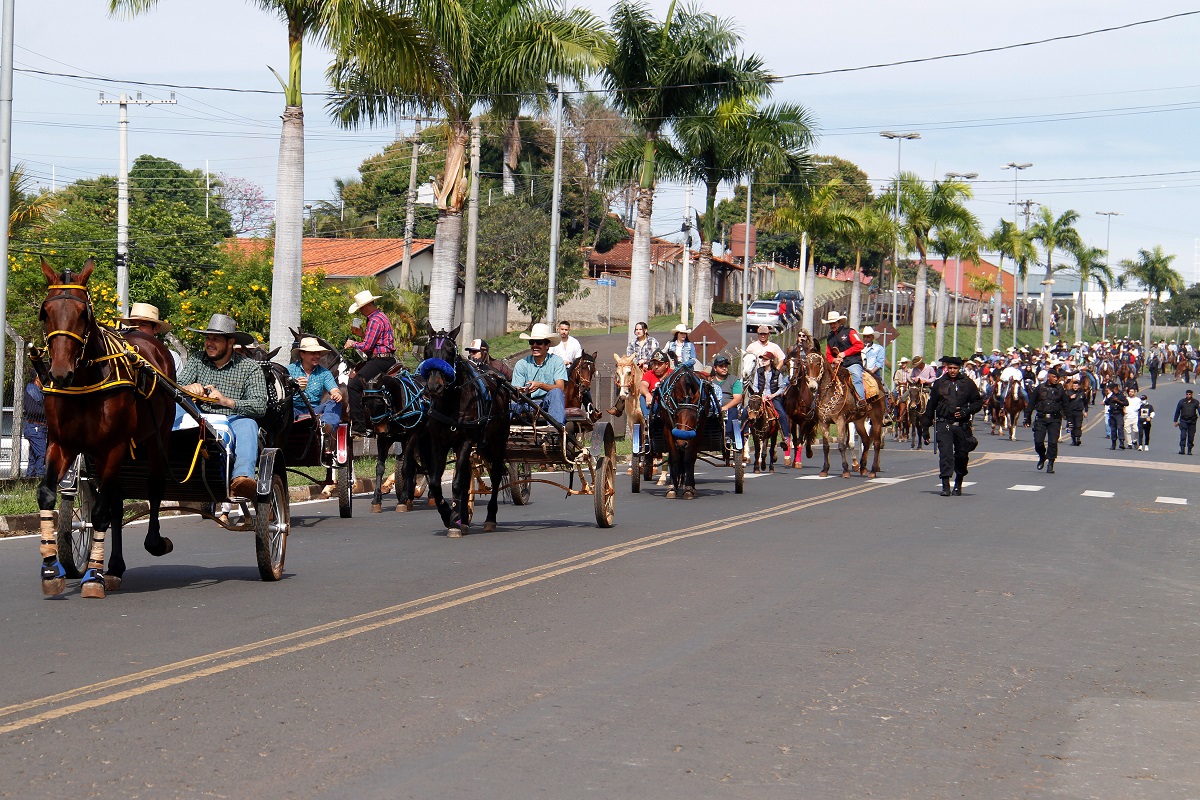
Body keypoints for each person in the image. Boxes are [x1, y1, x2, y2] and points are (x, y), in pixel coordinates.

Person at [178, 314, 268, 499]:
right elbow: (176, 388)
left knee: (249, 424)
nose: (209, 343)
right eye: (207, 338)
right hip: (197, 417)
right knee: (174, 409)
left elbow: (260, 406)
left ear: (230, 342)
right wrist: (188, 388)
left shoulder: (250, 368)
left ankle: (242, 479)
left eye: (216, 339)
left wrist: (227, 401)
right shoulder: (196, 360)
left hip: (233, 419)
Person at [920, 355, 983, 496]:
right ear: (946, 368)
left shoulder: (968, 383)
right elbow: (931, 406)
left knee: (961, 455)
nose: (952, 371)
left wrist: (967, 410)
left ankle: (958, 482)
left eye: (955, 368)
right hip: (944, 424)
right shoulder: (939, 383)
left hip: (962, 425)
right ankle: (945, 485)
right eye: (950, 368)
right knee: (946, 455)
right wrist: (925, 428)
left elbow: (978, 402)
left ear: (959, 368)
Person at [344, 289, 397, 433]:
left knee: (354, 385)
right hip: (386, 359)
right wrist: (362, 334)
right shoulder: (380, 317)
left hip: (381, 360)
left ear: (365, 306)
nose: (360, 311)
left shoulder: (374, 320)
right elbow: (375, 342)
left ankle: (359, 427)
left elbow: (367, 347)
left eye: (360, 308)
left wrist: (352, 343)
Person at [511, 322, 567, 424]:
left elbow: (560, 387)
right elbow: (516, 393)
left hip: (548, 402)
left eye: (539, 342)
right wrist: (521, 390)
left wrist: (540, 385)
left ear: (547, 345)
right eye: (532, 342)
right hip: (526, 402)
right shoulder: (521, 364)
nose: (535, 346)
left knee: (556, 392)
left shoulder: (557, 361)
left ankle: (555, 428)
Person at [288, 337, 343, 434]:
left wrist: (337, 394)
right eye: (313, 353)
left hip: (314, 410)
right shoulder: (289, 370)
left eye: (318, 353)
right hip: (293, 409)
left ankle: (326, 426)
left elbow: (334, 389)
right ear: (302, 354)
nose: (317, 356)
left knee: (335, 402)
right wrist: (294, 386)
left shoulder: (324, 373)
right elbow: (281, 392)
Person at [743, 351, 791, 453]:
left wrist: (772, 395)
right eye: (762, 359)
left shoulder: (777, 373)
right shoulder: (759, 372)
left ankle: (785, 438)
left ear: (771, 361)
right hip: (760, 397)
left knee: (781, 414)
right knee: (744, 411)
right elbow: (755, 385)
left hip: (773, 398)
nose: (763, 361)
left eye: (765, 359)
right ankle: (744, 433)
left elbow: (781, 388)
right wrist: (759, 396)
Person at [822, 310, 867, 412]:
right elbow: (828, 355)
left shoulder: (850, 332)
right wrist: (834, 360)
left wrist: (844, 353)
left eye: (834, 323)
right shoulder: (830, 338)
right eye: (830, 323)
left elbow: (859, 345)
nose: (832, 325)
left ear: (839, 322)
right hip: (839, 365)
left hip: (853, 362)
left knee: (856, 377)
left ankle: (861, 401)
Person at [121, 302, 183, 371]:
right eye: (133, 324)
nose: (136, 328)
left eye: (143, 325)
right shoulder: (120, 353)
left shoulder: (170, 356)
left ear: (155, 328)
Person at [1027, 366, 1067, 472]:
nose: (1056, 379)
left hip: (1054, 419)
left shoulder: (1060, 389)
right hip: (1041, 418)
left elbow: (1066, 404)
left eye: (1057, 377)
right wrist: (1027, 417)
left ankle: (1050, 463)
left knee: (1053, 442)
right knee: (1038, 442)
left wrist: (1070, 420)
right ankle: (1042, 456)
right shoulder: (1039, 388)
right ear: (1048, 377)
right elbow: (1031, 403)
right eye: (1054, 377)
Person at [710, 354, 743, 442]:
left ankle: (728, 436)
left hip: (728, 409)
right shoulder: (710, 380)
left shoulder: (734, 380)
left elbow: (738, 398)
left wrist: (724, 408)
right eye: (721, 366)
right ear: (715, 368)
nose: (724, 368)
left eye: (725, 366)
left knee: (733, 411)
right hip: (712, 408)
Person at [638, 350, 673, 422]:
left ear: (666, 364)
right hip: (655, 406)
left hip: (671, 408)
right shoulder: (649, 374)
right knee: (643, 397)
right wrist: (647, 395)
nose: (656, 367)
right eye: (654, 364)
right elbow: (642, 385)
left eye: (659, 364)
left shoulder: (673, 374)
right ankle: (648, 420)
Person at [22, 376, 47, 478]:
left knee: (33, 457)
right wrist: (48, 412)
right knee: (42, 454)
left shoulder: (40, 393)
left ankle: (29, 479)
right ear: (37, 379)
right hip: (35, 427)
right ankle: (39, 478)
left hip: (39, 428)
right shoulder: (31, 391)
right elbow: (32, 410)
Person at [1062, 374, 1088, 447]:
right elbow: (1065, 402)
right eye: (1074, 386)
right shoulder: (1068, 392)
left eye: (1076, 386)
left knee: (1078, 426)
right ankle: (1073, 440)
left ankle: (1078, 438)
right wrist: (1070, 397)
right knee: (1071, 426)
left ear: (1078, 386)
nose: (1075, 387)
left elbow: (1086, 403)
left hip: (1079, 412)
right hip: (1070, 412)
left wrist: (1086, 411)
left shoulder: (1082, 393)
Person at [1173, 388, 1200, 455]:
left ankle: (1189, 450)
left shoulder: (1195, 402)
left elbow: (1199, 411)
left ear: (1192, 395)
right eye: (1187, 394)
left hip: (1192, 421)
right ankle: (1182, 449)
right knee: (1183, 435)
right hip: (1183, 420)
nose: (1188, 395)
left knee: (1191, 436)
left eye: (1189, 394)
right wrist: (1175, 421)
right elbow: (1177, 411)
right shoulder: (1182, 402)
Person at [1103, 383, 1128, 450]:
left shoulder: (1121, 395)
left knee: (1120, 428)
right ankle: (1113, 443)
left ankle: (1121, 442)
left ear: (1115, 388)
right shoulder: (1111, 396)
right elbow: (1106, 402)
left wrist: (1118, 401)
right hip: (1112, 414)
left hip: (1119, 413)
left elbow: (1126, 403)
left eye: (1111, 389)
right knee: (1113, 429)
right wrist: (1107, 396)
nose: (1111, 390)